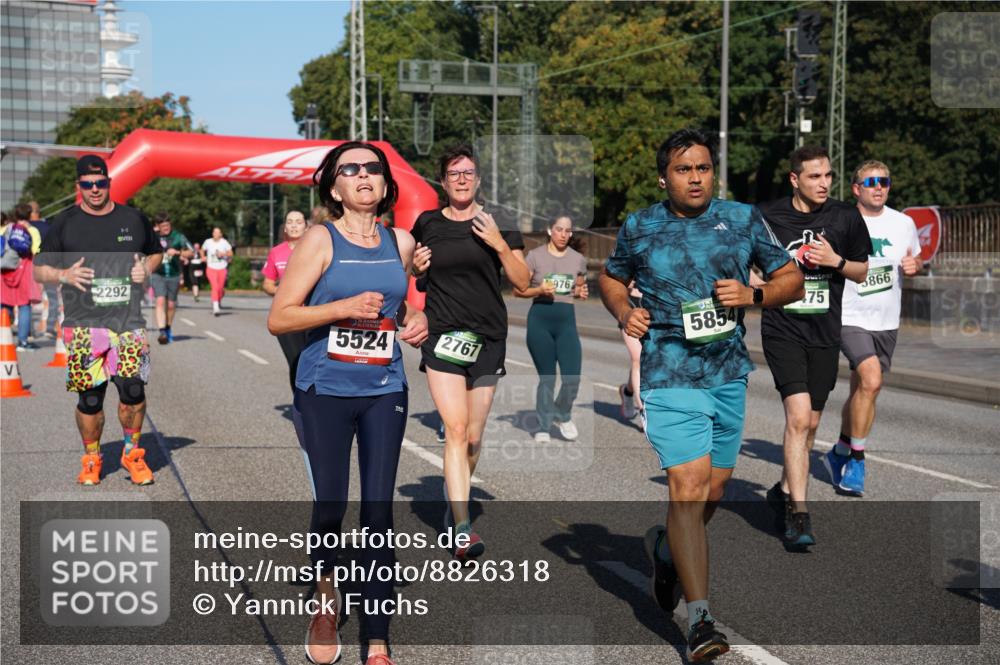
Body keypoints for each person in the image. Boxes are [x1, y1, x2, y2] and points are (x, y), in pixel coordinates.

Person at [599, 128, 802, 663]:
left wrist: (754, 293)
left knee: (713, 491)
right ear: (663, 177)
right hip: (668, 371)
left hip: (727, 373)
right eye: (684, 169)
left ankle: (666, 551)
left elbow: (792, 279)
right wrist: (624, 311)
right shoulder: (641, 225)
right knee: (687, 487)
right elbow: (611, 278)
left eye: (703, 168)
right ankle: (700, 619)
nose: (695, 178)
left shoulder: (742, 219)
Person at [268, 141, 428, 665]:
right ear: (334, 188)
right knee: (332, 505)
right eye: (350, 169)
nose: (363, 175)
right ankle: (324, 598)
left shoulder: (401, 242)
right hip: (325, 390)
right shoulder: (320, 238)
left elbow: (397, 310)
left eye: (373, 168)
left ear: (385, 183)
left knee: (378, 512)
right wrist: (342, 307)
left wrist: (415, 321)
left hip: (384, 388)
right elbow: (280, 317)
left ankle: (377, 641)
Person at [410, 144, 530, 561]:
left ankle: (453, 499)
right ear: (443, 182)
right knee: (456, 429)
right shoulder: (427, 223)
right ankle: (462, 527)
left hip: (487, 338)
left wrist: (498, 244)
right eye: (453, 174)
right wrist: (416, 269)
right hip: (442, 335)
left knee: (474, 438)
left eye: (468, 173)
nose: (461, 179)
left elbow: (522, 280)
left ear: (478, 180)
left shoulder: (499, 223)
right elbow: (413, 274)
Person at [757, 145, 871, 547]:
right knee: (799, 417)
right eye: (814, 177)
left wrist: (835, 260)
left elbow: (862, 271)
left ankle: (783, 490)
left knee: (812, 425)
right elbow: (745, 260)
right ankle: (799, 514)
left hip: (825, 333)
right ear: (795, 179)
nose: (823, 184)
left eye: (828, 176)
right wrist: (754, 280)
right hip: (782, 328)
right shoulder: (768, 216)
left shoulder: (845, 216)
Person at [32, 155, 163, 486]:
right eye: (87, 184)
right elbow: (39, 269)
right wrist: (63, 274)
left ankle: (132, 454)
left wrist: (146, 267)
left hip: (128, 323)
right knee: (90, 399)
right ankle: (91, 458)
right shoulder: (65, 222)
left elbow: (155, 251)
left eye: (100, 183)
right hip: (83, 325)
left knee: (132, 391)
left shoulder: (133, 218)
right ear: (78, 186)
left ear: (109, 182)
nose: (94, 189)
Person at [825, 160, 922, 496]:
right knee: (871, 380)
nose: (879, 187)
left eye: (884, 182)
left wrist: (915, 264)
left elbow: (916, 258)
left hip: (886, 320)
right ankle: (857, 460)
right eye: (871, 182)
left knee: (862, 390)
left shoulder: (904, 223)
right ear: (856, 189)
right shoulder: (841, 220)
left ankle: (839, 449)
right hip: (849, 316)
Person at [514, 215, 589, 443]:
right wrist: (539, 290)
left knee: (572, 377)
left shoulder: (578, 259)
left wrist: (581, 292)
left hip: (566, 322)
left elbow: (579, 288)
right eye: (559, 229)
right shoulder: (535, 256)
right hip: (540, 321)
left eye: (568, 231)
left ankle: (562, 413)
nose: (564, 235)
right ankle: (544, 426)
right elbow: (518, 290)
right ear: (549, 230)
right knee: (547, 378)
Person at [262, 209, 309, 391]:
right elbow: (267, 284)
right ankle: (300, 402)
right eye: (290, 222)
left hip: (313, 315)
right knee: (296, 363)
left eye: (298, 221)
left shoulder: (316, 249)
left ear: (306, 227)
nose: (294, 225)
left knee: (313, 363)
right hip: (287, 315)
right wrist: (283, 293)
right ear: (285, 228)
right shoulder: (276, 252)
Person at [2, 204, 41, 351]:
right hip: (24, 269)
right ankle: (23, 342)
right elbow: (36, 250)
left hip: (6, 269)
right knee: (24, 305)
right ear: (29, 215)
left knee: (5, 304)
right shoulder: (32, 230)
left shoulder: (7, 228)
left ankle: (3, 338)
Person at [150, 212, 193, 344]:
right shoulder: (153, 237)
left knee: (171, 304)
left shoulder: (178, 237)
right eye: (163, 226)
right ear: (157, 226)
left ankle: (168, 327)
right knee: (160, 300)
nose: (166, 228)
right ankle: (162, 331)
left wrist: (178, 252)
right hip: (157, 273)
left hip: (174, 274)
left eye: (168, 225)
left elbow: (191, 252)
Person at [30, 201, 61, 339]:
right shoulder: (48, 226)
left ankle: (28, 331)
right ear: (38, 211)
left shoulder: (23, 227)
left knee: (26, 300)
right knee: (52, 298)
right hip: (48, 264)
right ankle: (49, 328)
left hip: (28, 266)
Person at [618, 281, 645, 427]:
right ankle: (644, 411)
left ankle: (627, 391)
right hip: (631, 306)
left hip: (655, 306)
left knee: (649, 361)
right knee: (638, 359)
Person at [201, 226, 233, 316]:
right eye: (214, 232)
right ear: (212, 234)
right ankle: (216, 307)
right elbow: (202, 250)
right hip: (211, 268)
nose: (215, 234)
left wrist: (223, 253)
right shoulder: (208, 242)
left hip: (222, 268)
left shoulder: (224, 242)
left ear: (221, 234)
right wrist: (203, 257)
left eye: (218, 232)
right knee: (215, 287)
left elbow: (231, 253)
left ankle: (217, 300)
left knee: (220, 289)